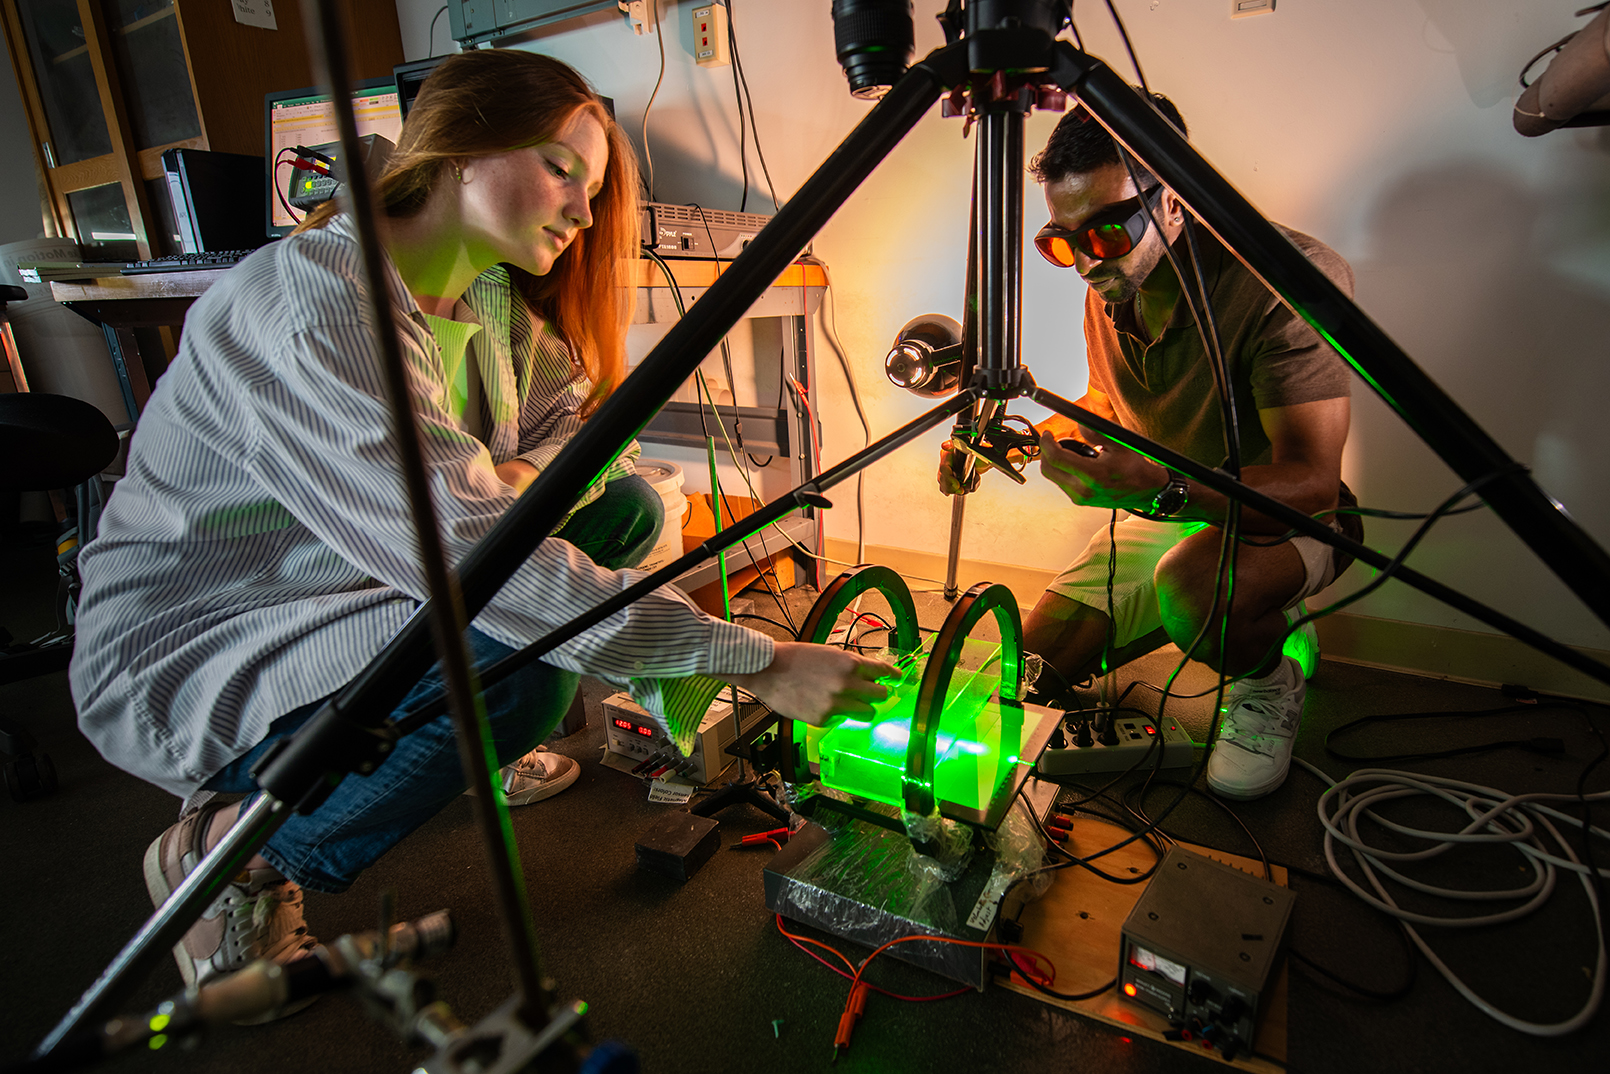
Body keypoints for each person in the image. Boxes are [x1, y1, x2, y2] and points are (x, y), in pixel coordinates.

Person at [70, 49, 892, 1002]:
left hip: (366, 579)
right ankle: (223, 854)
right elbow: (487, 568)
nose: (585, 212)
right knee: (520, 674)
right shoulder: (316, 312)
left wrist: (502, 477)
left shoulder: (488, 301)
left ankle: (438, 747)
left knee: (623, 509)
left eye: (592, 187)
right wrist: (759, 659)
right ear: (458, 151)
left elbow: (586, 442)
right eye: (561, 169)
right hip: (208, 629)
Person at [939, 95, 1359, 803]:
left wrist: (1158, 490)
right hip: (1177, 505)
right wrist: (1038, 438)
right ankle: (1261, 618)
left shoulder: (1282, 281)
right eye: (1060, 242)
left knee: (1192, 592)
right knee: (1032, 667)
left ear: (1175, 202)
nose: (1081, 263)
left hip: (1284, 518)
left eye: (1103, 233)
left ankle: (1267, 677)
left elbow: (1313, 485)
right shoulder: (1111, 282)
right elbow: (1110, 402)